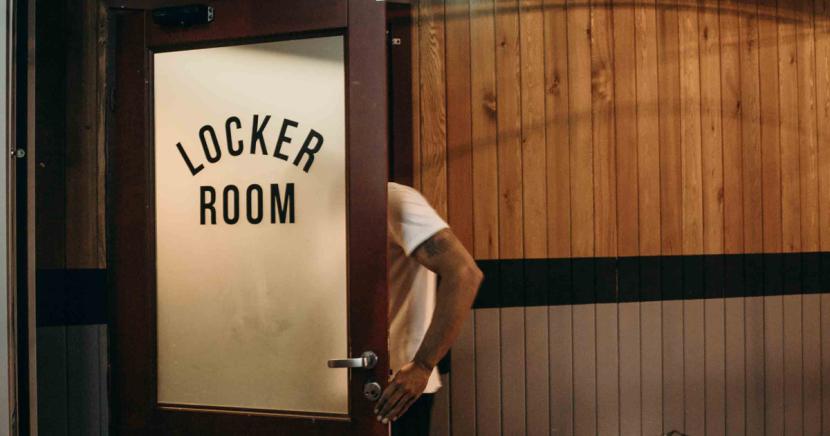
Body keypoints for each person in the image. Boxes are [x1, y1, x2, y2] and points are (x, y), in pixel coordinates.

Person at [374, 182, 483, 436]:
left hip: (397, 386)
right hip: (343, 381)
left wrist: (422, 365)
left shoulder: (392, 199)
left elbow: (464, 273)